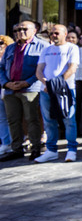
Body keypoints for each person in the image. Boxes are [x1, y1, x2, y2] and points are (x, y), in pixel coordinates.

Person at [0, 21, 47, 161]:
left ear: (34, 30)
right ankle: (16, 149)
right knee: (12, 120)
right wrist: (6, 83)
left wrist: (27, 82)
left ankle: (36, 147)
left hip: (30, 89)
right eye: (18, 29)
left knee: (31, 119)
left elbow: (42, 69)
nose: (21, 32)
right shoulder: (11, 48)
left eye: (24, 29)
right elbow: (1, 68)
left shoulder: (43, 46)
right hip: (10, 90)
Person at [34, 23, 78, 163]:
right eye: (51, 33)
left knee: (69, 120)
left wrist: (55, 84)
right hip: (46, 91)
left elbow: (72, 69)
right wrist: (45, 83)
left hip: (65, 90)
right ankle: (51, 150)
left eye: (56, 33)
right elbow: (39, 70)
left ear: (65, 34)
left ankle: (71, 149)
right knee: (48, 121)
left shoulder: (72, 48)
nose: (53, 35)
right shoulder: (46, 50)